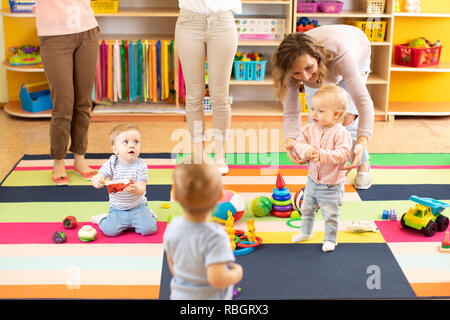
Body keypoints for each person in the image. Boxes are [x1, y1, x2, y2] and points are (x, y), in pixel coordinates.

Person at [272, 25, 374, 189]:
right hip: (325, 67)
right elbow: (291, 113)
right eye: (297, 74)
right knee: (319, 117)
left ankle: (363, 163)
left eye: (308, 68)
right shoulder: (292, 67)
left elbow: (363, 102)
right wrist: (291, 140)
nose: (305, 77)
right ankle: (323, 168)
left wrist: (361, 143)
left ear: (316, 56)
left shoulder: (340, 55)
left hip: (355, 53)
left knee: (348, 118)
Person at [36, 0, 99, 186]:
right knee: (63, 103)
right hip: (54, 35)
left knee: (83, 103)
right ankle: (59, 160)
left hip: (87, 30)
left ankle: (79, 157)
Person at [175, 0, 242, 174]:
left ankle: (220, 155)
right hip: (188, 22)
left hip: (223, 22)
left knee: (220, 96)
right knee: (194, 95)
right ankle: (200, 156)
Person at [163, 156, 243, 299]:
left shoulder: (172, 228)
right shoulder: (216, 236)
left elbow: (171, 261)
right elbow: (217, 280)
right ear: (220, 196)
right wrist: (236, 274)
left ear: (174, 196)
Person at [289, 84, 352, 252]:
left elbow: (344, 153)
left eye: (321, 111)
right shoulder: (310, 129)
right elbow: (299, 142)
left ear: (336, 114)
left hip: (331, 185)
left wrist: (323, 155)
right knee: (306, 209)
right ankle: (305, 232)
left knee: (330, 215)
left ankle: (331, 239)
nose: (314, 114)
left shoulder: (341, 133)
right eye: (313, 109)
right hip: (312, 181)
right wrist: (307, 151)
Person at [90, 123, 158, 237]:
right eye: (126, 142)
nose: (132, 146)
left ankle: (148, 213)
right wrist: (97, 180)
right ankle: (103, 218)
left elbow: (141, 190)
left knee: (149, 230)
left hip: (137, 207)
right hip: (117, 209)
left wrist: (135, 189)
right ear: (115, 149)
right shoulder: (112, 162)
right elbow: (100, 175)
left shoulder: (141, 165)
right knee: (109, 231)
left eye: (136, 142)